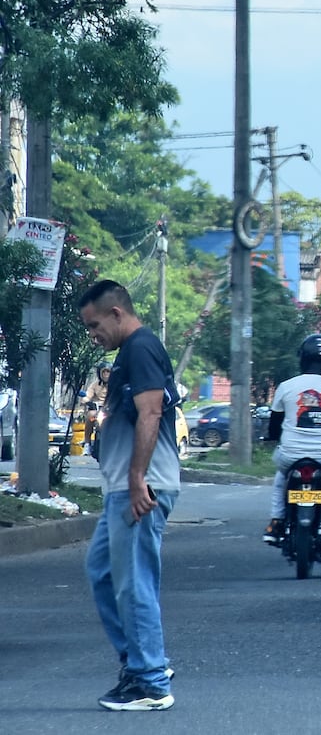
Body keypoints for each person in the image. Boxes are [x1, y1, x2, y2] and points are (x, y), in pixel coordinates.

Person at [78, 280, 180, 712]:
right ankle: (141, 662)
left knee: (133, 584)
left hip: (140, 488)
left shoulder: (140, 348)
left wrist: (137, 478)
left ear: (116, 313)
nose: (92, 335)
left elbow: (151, 412)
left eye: (94, 325)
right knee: (102, 571)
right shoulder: (130, 352)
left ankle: (150, 682)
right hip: (124, 488)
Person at [263, 334, 321, 548]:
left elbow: (274, 425)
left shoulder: (286, 387)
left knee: (280, 478)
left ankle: (276, 522)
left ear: (303, 358)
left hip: (290, 454)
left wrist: (272, 437)